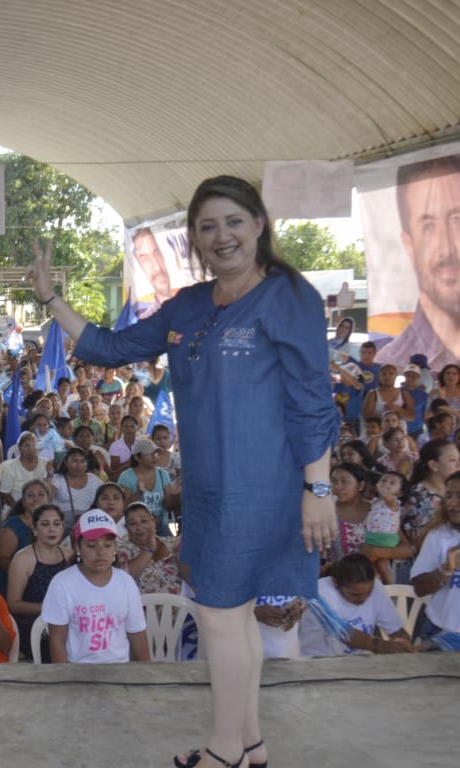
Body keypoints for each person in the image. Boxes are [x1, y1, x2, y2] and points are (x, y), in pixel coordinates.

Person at [30, 176, 339, 768]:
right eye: (207, 226)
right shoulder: (190, 305)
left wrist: (318, 487)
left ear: (259, 225)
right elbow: (110, 347)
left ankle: (222, 750)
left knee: (221, 617)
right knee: (233, 617)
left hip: (266, 487)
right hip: (206, 489)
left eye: (233, 222)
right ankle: (249, 743)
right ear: (195, 240)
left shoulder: (287, 297)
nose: (221, 236)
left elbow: (311, 400)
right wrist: (51, 300)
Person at [375, 154, 460, 371]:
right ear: (409, 246)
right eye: (428, 228)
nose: (447, 247)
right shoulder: (393, 362)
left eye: (457, 220)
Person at [41, 509, 150, 664]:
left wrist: (149, 675)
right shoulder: (62, 583)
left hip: (120, 669)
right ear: (78, 548)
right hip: (78, 672)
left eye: (107, 545)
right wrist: (64, 679)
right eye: (91, 546)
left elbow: (137, 634)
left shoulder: (125, 582)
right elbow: (57, 640)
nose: (100, 553)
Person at [298, 553, 413, 657]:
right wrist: (381, 646)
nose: (363, 598)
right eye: (355, 594)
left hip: (358, 661)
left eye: (369, 592)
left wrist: (403, 643)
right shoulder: (320, 591)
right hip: (317, 662)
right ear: (336, 583)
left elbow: (395, 628)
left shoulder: (376, 586)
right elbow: (343, 633)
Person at [5, 503, 69, 660]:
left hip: (67, 621)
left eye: (56, 524)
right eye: (45, 524)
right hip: (33, 625)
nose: (52, 529)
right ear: (34, 529)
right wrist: (49, 609)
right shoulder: (23, 559)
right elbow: (13, 604)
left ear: (62, 528)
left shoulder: (70, 555)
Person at [409, 470, 460, 638]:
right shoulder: (440, 535)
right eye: (449, 496)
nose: (452, 503)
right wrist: (445, 569)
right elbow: (419, 588)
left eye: (459, 496)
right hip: (440, 632)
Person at [116, 502, 182, 595]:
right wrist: (149, 550)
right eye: (132, 524)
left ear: (153, 521)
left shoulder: (171, 543)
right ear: (127, 527)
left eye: (144, 521)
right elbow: (124, 579)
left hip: (181, 607)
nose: (139, 527)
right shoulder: (122, 549)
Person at [365, 471, 408, 584]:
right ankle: (378, 585)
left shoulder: (393, 503)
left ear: (399, 493)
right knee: (375, 565)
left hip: (384, 539)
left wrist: (383, 490)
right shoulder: (375, 502)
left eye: (392, 483)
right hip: (373, 537)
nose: (386, 484)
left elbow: (388, 497)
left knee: (382, 565)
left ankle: (389, 588)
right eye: (383, 480)